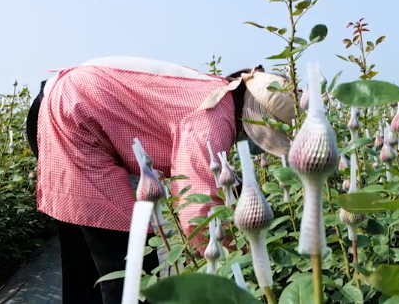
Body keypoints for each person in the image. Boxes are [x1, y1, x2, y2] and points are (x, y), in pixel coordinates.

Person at [25, 56, 294, 304]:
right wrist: (240, 260)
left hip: (61, 100)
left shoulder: (217, 91)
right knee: (131, 262)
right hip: (73, 113)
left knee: (86, 254)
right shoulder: (212, 120)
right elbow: (196, 212)